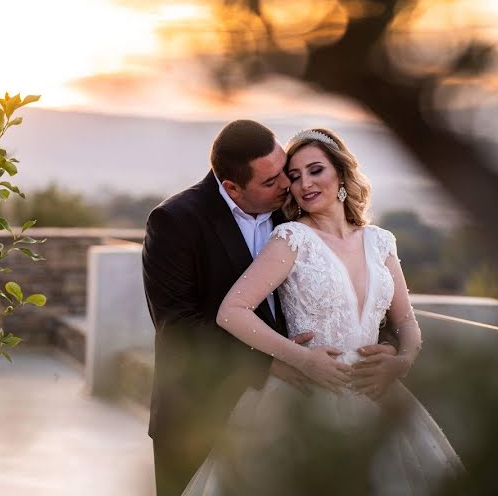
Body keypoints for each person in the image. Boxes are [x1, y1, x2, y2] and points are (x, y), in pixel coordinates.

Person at [182, 128, 463, 495]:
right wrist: (300, 358)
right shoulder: (292, 239)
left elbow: (406, 321)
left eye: (316, 170)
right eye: (294, 176)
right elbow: (231, 311)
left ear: (341, 173)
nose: (304, 184)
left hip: (377, 398)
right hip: (303, 402)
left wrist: (401, 361)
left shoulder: (380, 242)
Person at [142, 121, 402, 496]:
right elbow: (179, 326)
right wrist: (275, 361)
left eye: (285, 171)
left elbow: (360, 293)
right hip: (199, 411)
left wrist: (390, 347)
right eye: (271, 181)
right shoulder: (175, 221)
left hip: (294, 417)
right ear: (232, 187)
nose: (287, 185)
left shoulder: (296, 214)